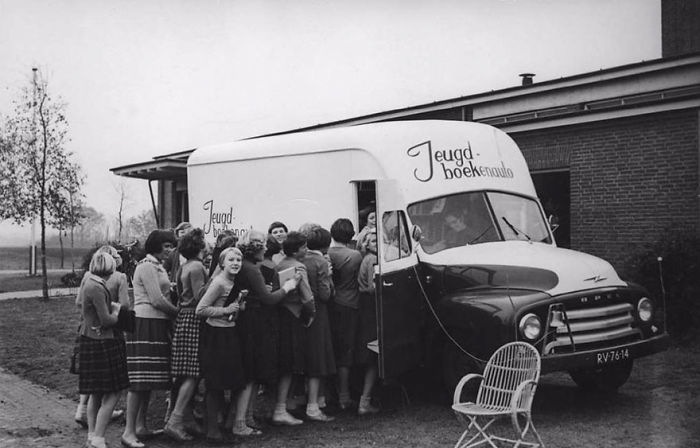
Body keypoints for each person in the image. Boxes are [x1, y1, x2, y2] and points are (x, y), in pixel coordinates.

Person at [230, 230, 300, 435]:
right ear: (257, 248)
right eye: (263, 247)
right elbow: (268, 299)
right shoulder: (252, 269)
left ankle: (243, 417)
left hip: (247, 320)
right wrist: (288, 287)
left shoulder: (247, 267)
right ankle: (240, 422)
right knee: (250, 373)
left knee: (250, 372)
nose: (267, 250)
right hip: (254, 322)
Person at [121, 230, 179, 448]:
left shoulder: (156, 266)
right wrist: (178, 312)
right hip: (145, 323)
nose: (170, 250)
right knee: (138, 381)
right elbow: (156, 299)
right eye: (166, 246)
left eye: (171, 246)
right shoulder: (146, 266)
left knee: (147, 380)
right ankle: (128, 432)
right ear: (155, 245)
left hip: (156, 323)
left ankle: (140, 427)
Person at [195, 247, 247, 443]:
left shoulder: (233, 282)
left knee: (233, 380)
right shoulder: (218, 282)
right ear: (222, 263)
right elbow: (201, 310)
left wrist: (239, 307)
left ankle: (225, 423)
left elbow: (232, 309)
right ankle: (212, 431)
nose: (235, 263)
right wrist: (225, 310)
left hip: (229, 332)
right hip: (216, 335)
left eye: (239, 260)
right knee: (215, 383)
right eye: (231, 260)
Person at [74, 245, 129, 428]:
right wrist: (112, 311)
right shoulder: (119, 277)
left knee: (92, 380)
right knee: (109, 383)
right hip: (108, 333)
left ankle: (82, 411)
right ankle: (97, 432)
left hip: (87, 328)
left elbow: (79, 302)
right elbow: (125, 306)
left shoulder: (87, 277)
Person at [164, 229, 209, 441]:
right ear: (200, 247)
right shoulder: (198, 267)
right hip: (194, 319)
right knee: (192, 372)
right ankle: (176, 420)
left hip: (183, 318)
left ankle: (185, 419)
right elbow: (202, 297)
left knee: (184, 372)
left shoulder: (184, 266)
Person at [273, 231, 316, 426]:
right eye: (304, 247)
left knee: (285, 361)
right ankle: (281, 408)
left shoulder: (280, 264)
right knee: (290, 364)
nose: (306, 250)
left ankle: (285, 404)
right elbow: (307, 297)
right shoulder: (299, 266)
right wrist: (311, 314)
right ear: (296, 250)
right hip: (295, 314)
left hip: (281, 313)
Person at [299, 224, 336, 422]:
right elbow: (325, 293)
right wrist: (330, 278)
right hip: (319, 311)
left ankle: (310, 400)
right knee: (318, 356)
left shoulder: (299, 258)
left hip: (300, 312)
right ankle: (314, 405)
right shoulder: (320, 261)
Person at [327, 218, 363, 411]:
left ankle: (328, 393)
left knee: (332, 347)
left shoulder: (327, 253)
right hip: (350, 303)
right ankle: (344, 395)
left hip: (331, 302)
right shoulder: (355, 255)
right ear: (351, 234)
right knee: (346, 349)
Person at [355, 231, 380, 415]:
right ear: (366, 244)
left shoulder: (367, 258)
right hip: (370, 306)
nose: (377, 242)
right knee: (372, 352)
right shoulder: (372, 260)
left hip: (365, 306)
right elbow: (373, 287)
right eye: (372, 240)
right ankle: (365, 401)